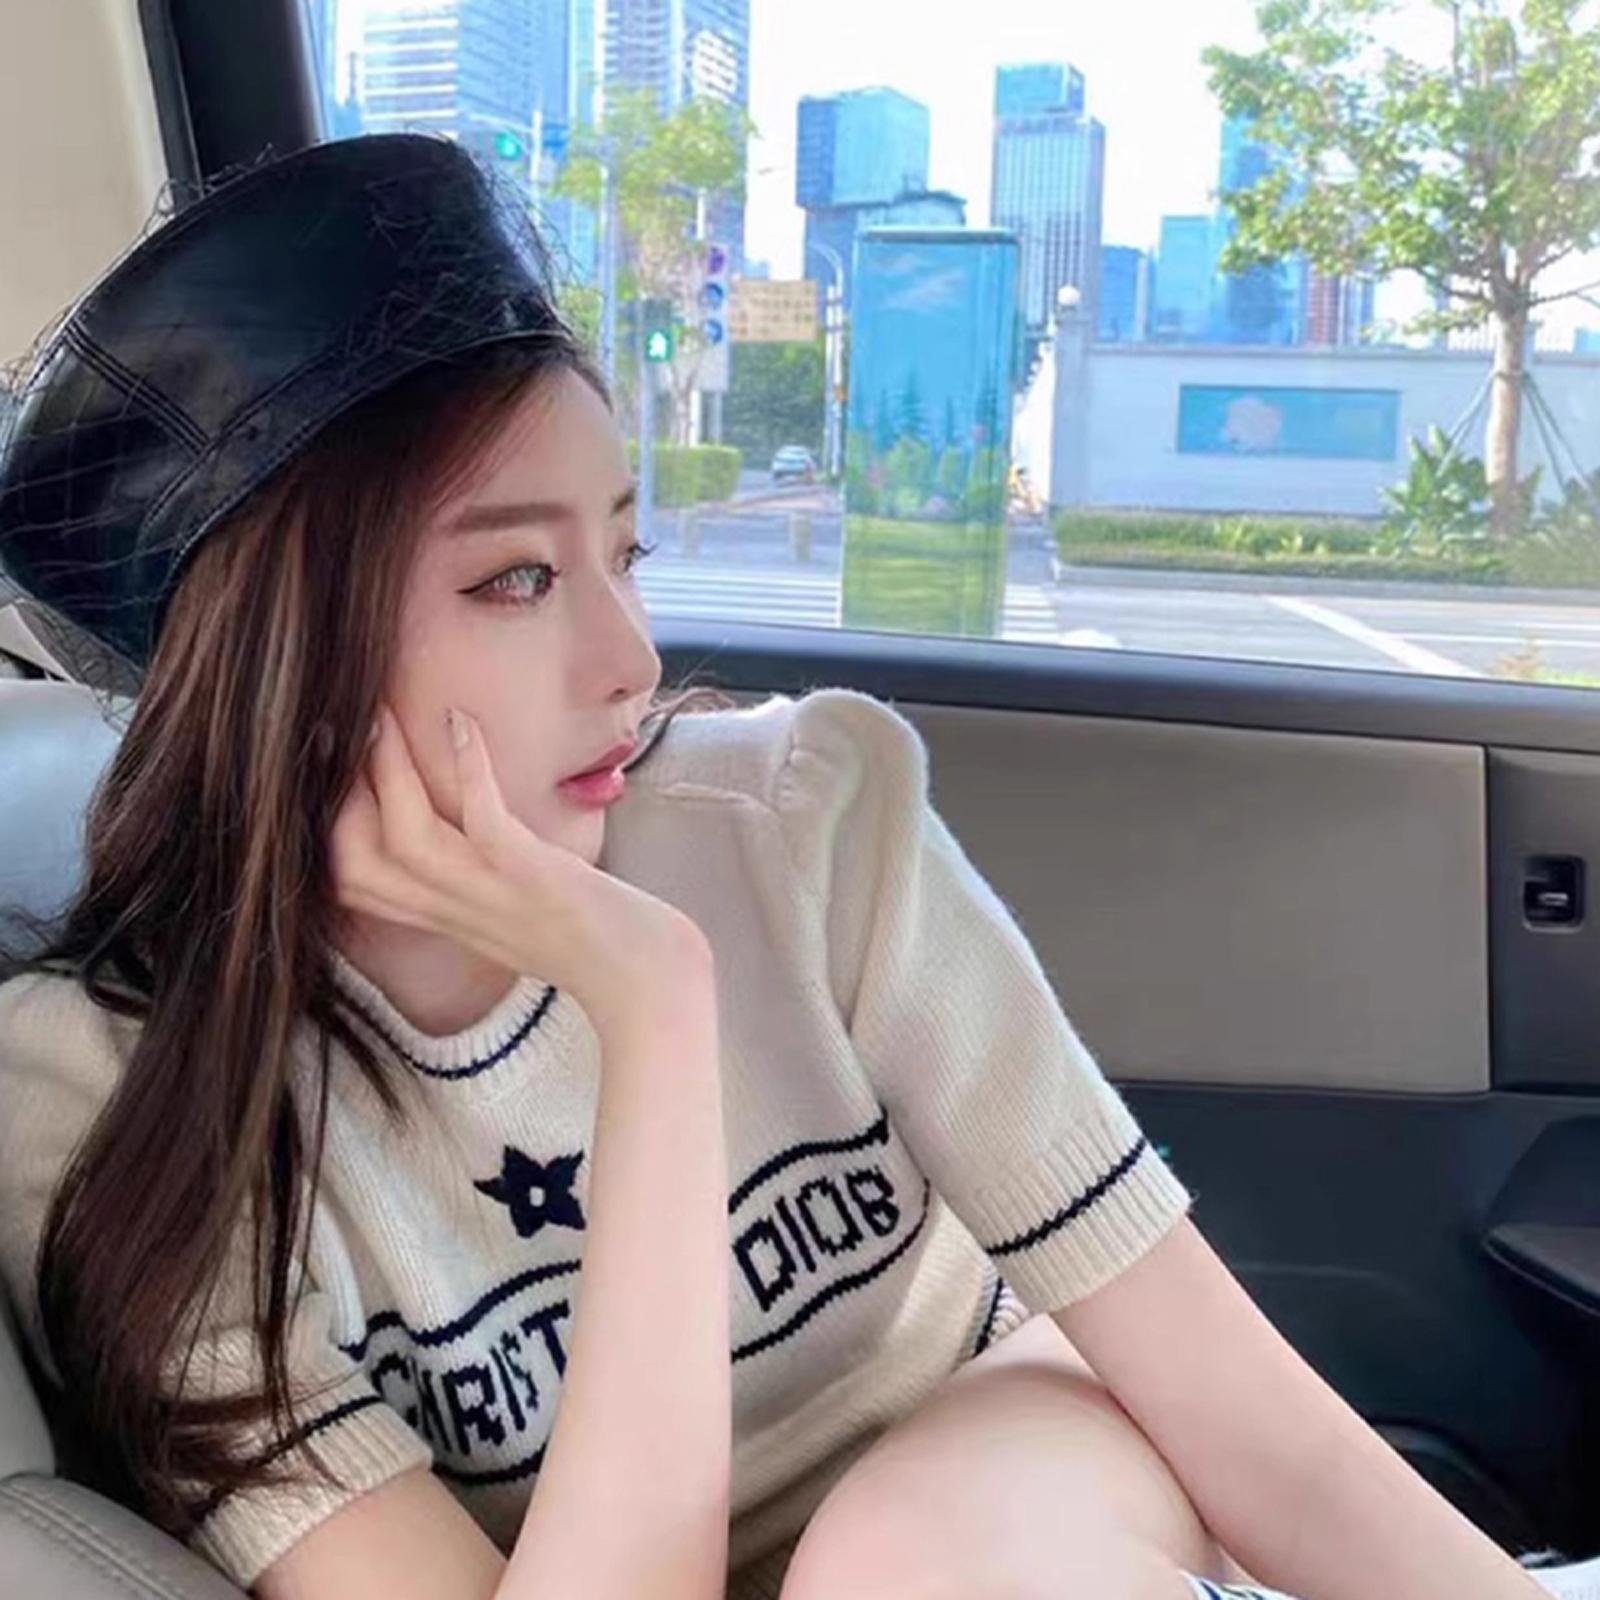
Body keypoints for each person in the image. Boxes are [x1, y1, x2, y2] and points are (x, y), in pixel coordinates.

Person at [0, 134, 1547, 1600]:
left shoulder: (794, 822)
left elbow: (1240, 1409)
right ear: (273, 658)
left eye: (624, 555)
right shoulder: (106, 1103)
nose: (631, 659)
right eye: (517, 578)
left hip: (997, 1474)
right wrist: (652, 1008)